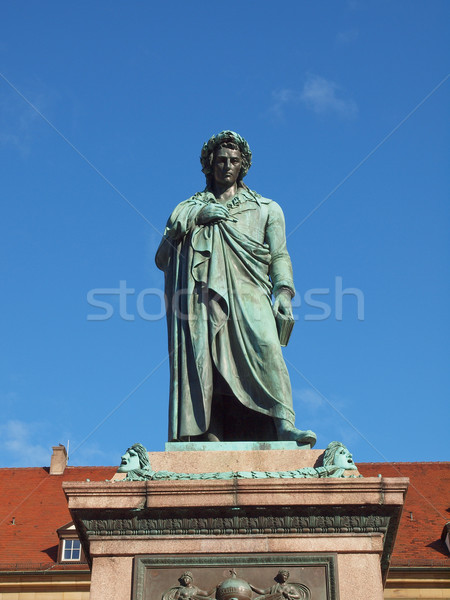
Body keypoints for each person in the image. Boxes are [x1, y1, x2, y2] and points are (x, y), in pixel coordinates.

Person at [156, 131, 316, 445]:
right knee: (207, 362)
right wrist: (195, 218)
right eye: (220, 161)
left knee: (267, 348)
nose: (227, 166)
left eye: (234, 160)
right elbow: (162, 257)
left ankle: (283, 423)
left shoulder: (267, 208)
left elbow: (280, 254)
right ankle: (208, 433)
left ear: (243, 165)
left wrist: (283, 292)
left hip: (251, 291)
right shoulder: (188, 209)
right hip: (202, 296)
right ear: (208, 166)